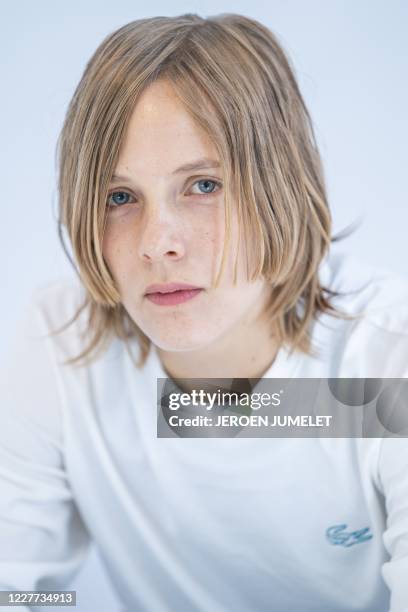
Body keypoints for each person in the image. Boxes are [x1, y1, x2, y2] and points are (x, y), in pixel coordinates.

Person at [1, 12, 407, 612]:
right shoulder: (61, 343)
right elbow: (21, 589)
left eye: (203, 185)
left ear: (281, 188)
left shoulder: (385, 360)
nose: (156, 242)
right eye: (120, 197)